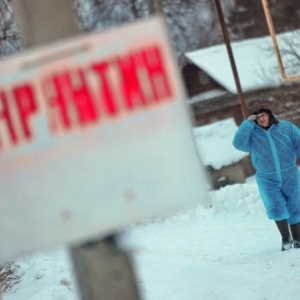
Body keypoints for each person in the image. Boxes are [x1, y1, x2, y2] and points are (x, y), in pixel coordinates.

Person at [232, 101, 300, 251]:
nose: (261, 119)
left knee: (295, 205)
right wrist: (246, 125)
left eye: (263, 115)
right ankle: (286, 239)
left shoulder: (286, 127)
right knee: (276, 206)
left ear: (270, 115)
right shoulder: (252, 133)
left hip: (290, 173)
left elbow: (299, 143)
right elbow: (238, 144)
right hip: (267, 178)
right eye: (257, 117)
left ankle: (298, 239)